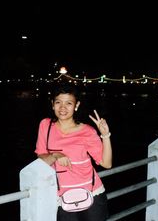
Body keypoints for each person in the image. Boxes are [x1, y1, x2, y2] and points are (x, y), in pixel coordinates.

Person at [34, 84, 113, 221]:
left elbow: (106, 164)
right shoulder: (45, 126)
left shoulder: (87, 131)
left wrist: (105, 135)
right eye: (58, 102)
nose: (63, 107)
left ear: (76, 106)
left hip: (92, 194)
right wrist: (55, 155)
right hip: (61, 197)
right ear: (52, 104)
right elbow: (41, 157)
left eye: (69, 103)